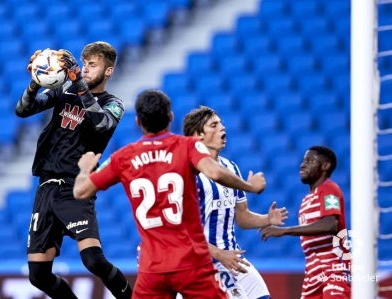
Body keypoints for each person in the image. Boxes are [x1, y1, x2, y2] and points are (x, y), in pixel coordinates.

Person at [73, 89, 267, 298]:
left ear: (138, 121)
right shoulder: (187, 146)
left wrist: (85, 169)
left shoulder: (123, 157)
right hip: (190, 262)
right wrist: (250, 186)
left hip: (152, 266)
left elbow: (80, 191)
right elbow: (214, 171)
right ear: (171, 117)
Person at [15, 42, 132, 299]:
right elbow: (23, 110)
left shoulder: (114, 104)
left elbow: (101, 124)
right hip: (46, 186)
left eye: (93, 65)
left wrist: (78, 82)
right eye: (85, 63)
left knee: (93, 261)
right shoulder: (63, 91)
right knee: (38, 275)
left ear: (108, 71)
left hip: (75, 186)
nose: (87, 69)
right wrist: (35, 81)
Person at [182, 106, 287, 299]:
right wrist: (219, 254)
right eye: (214, 125)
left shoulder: (230, 167)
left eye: (221, 123)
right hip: (205, 263)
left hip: (232, 259)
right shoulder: (189, 174)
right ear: (198, 135)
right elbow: (184, 235)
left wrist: (267, 219)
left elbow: (242, 215)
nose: (223, 127)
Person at [259, 146, 351, 299]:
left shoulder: (329, 189)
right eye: (303, 161)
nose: (302, 165)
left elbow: (330, 224)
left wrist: (285, 231)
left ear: (325, 166)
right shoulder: (306, 200)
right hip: (313, 273)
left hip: (333, 269)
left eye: (310, 161)